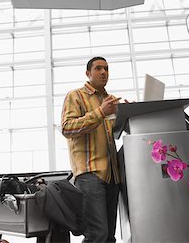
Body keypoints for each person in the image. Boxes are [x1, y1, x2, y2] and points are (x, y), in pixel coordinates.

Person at [61, 56, 121, 242]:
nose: (104, 72)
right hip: (90, 174)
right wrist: (100, 112)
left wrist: (126, 114)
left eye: (106, 68)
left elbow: (113, 134)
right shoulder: (76, 96)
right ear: (88, 73)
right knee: (97, 234)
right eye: (98, 68)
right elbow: (67, 128)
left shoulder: (109, 101)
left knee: (109, 236)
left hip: (112, 175)